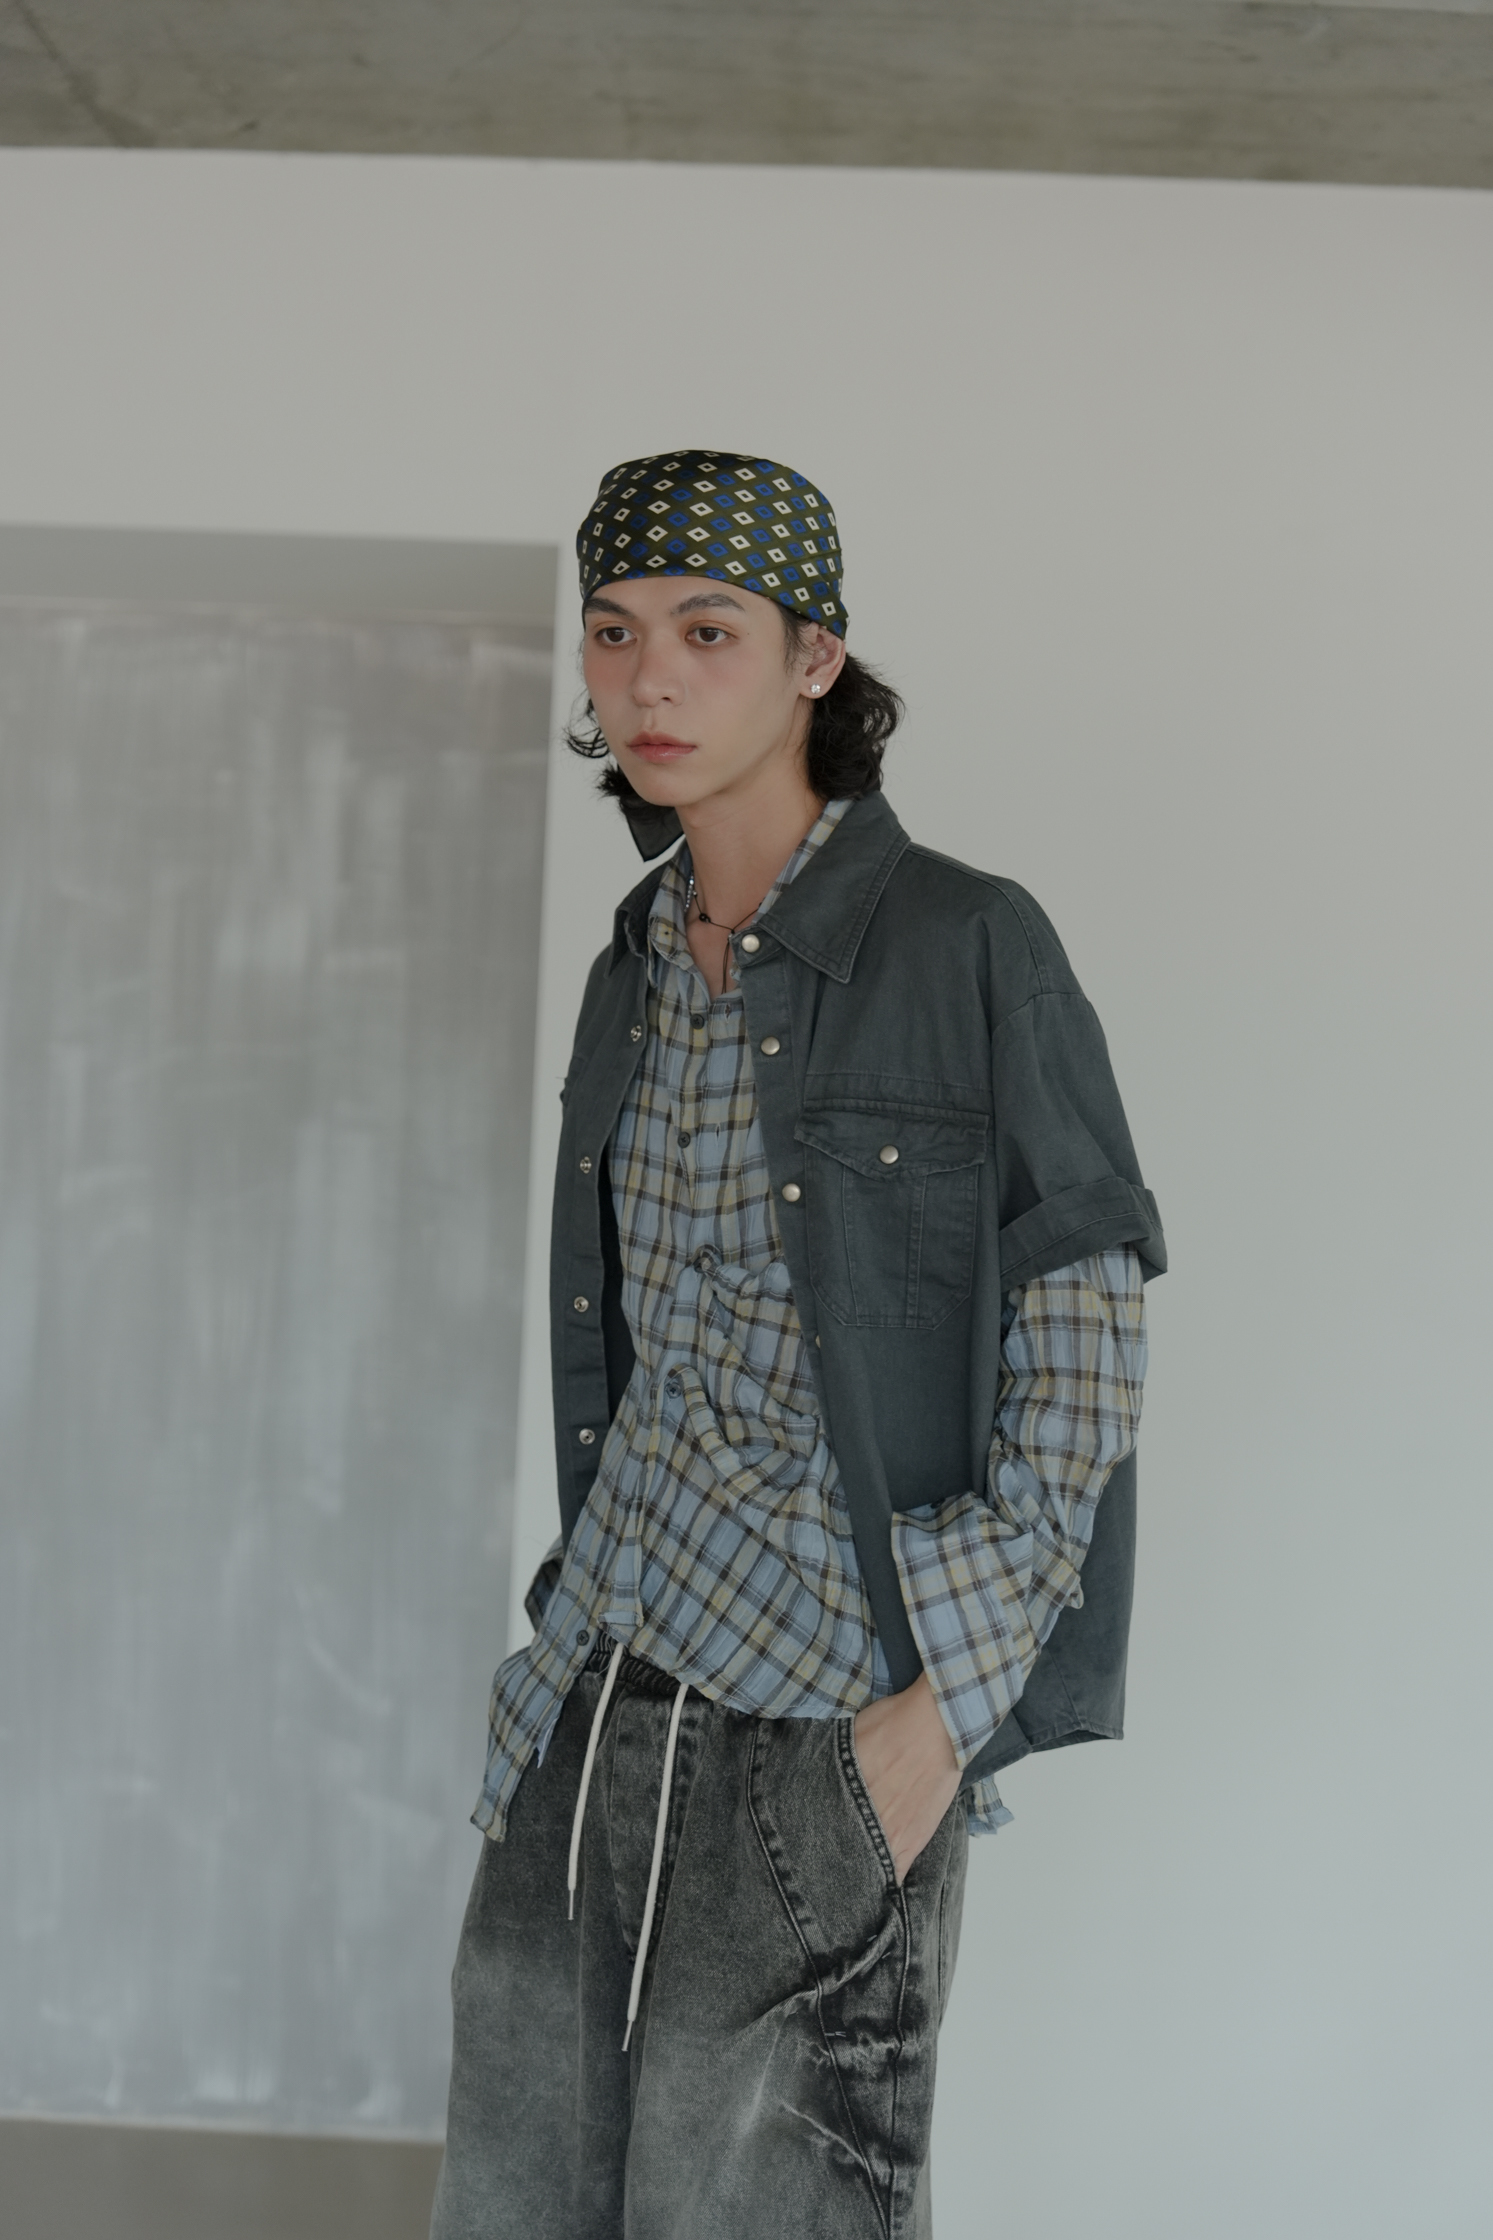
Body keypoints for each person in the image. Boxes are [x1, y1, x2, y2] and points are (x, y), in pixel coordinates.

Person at [430, 450, 1165, 2240]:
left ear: (814, 659)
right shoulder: (633, 965)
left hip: (826, 1727)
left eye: (708, 631)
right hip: (594, 1700)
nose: (649, 678)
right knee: (512, 2209)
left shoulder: (968, 942)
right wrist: (552, 1671)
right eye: (614, 632)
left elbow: (1082, 1338)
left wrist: (938, 1718)